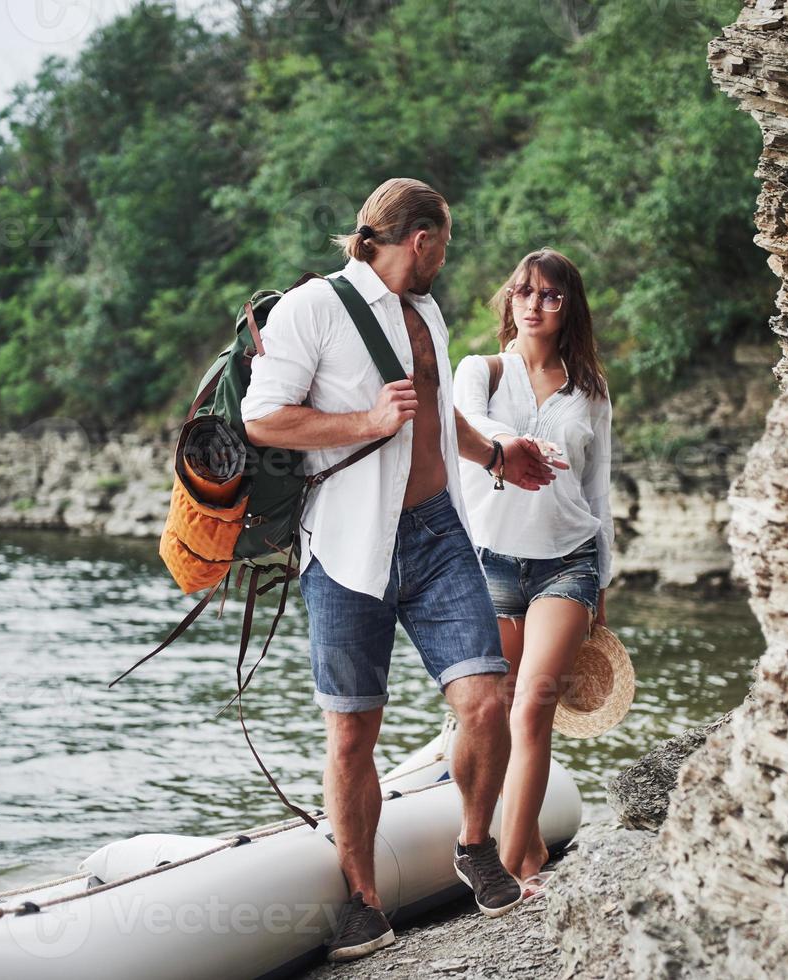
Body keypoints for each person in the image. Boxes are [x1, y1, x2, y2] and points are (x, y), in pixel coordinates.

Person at [241, 179, 567, 962]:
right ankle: (362, 903)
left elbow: (429, 408)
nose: (445, 260)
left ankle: (473, 845)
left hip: (434, 533)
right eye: (443, 245)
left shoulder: (423, 311)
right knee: (354, 734)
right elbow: (262, 417)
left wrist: (494, 453)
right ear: (418, 239)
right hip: (345, 548)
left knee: (486, 698)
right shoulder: (312, 307)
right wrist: (365, 421)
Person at [453, 247, 613, 898]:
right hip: (488, 559)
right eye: (523, 291)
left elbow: (600, 492)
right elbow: (461, 427)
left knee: (532, 713)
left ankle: (511, 868)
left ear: (568, 307)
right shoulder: (480, 371)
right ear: (508, 299)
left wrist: (603, 581)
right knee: (483, 717)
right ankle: (523, 847)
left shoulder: (590, 393)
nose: (533, 304)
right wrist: (513, 446)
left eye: (550, 295)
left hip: (566, 562)